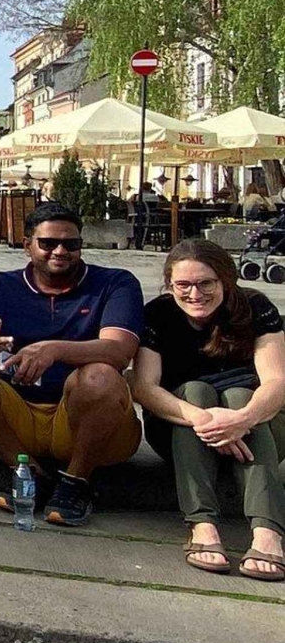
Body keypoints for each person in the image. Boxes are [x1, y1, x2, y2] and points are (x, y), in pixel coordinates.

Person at [0, 202, 143, 527]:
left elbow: (119, 351)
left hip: (89, 420)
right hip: (21, 413)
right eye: (48, 243)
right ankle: (29, 471)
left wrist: (55, 350)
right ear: (27, 244)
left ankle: (76, 482)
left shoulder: (115, 283)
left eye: (71, 244)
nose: (60, 251)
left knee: (100, 375)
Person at [131, 240, 285, 580]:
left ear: (225, 281)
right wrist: (203, 419)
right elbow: (143, 387)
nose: (194, 294)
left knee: (241, 396)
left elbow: (277, 383)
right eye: (182, 285)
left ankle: (267, 532)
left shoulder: (254, 307)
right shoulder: (158, 314)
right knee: (196, 392)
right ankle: (202, 525)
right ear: (169, 284)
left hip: (259, 423)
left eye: (206, 283)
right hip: (182, 425)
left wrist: (241, 419)